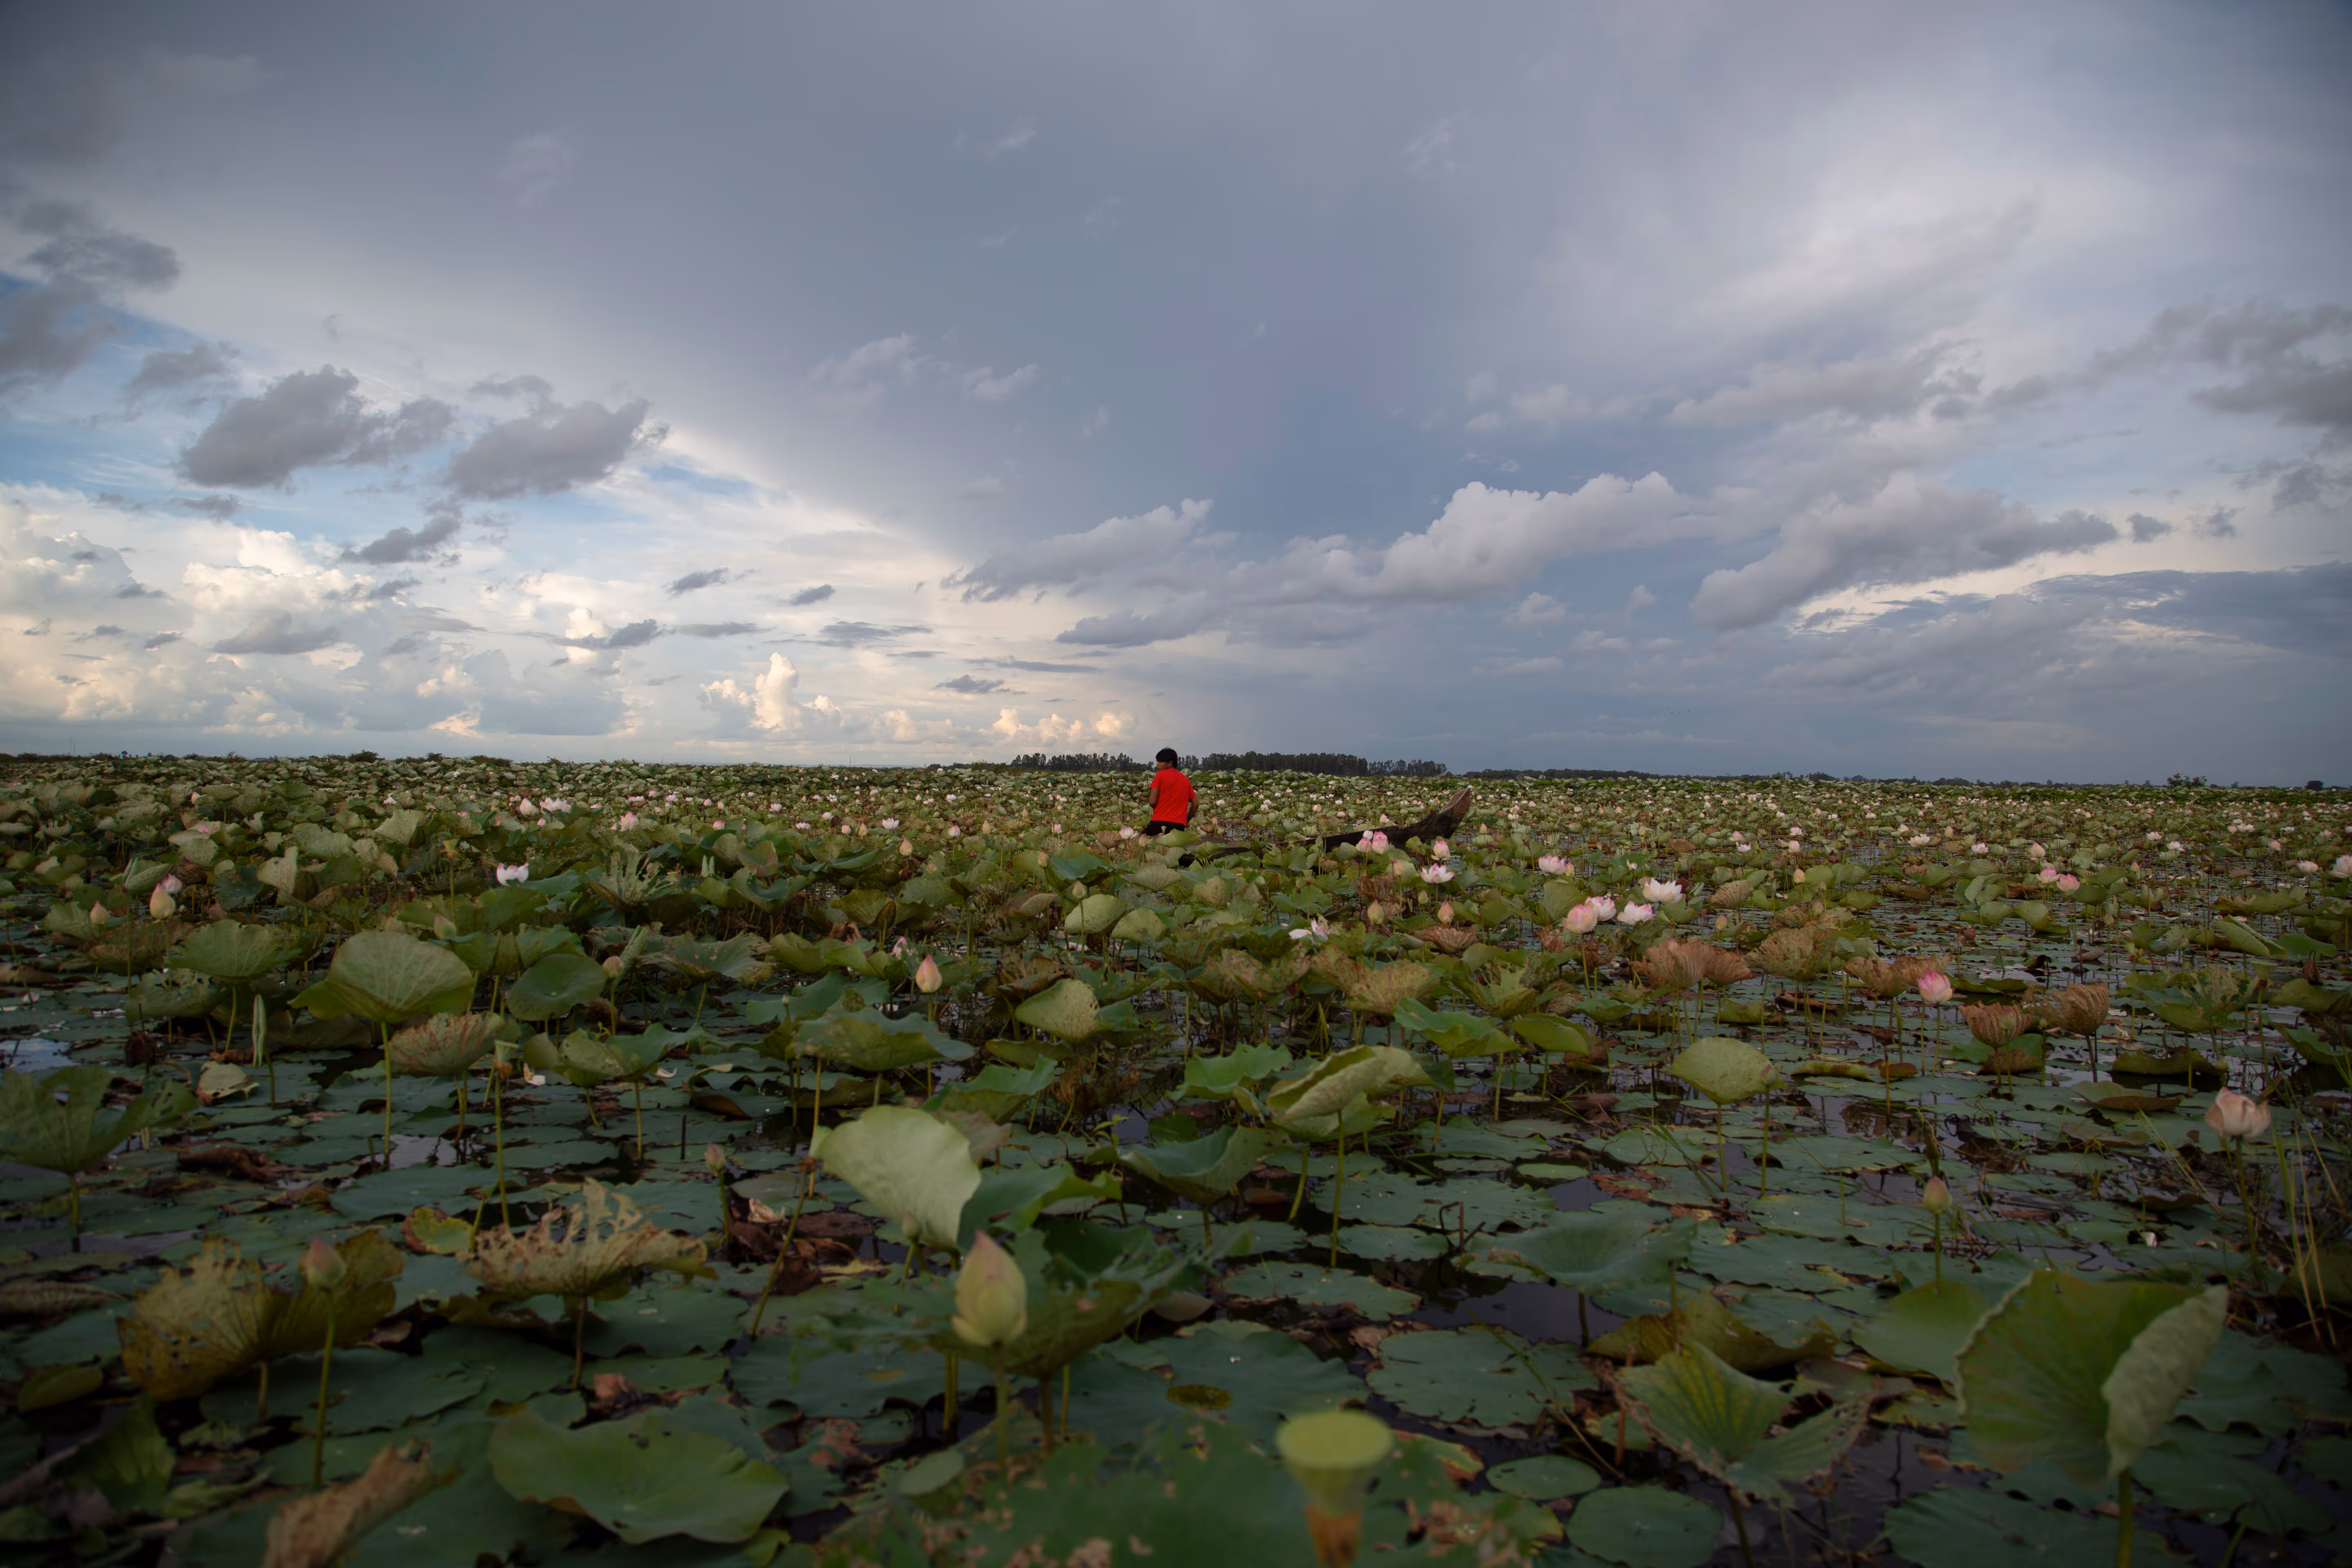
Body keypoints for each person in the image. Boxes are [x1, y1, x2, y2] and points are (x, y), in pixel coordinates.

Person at [1142, 747, 1195, 835]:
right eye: (1157, 761)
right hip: (1179, 825)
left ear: (1170, 763)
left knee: (1141, 843)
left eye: (1161, 762)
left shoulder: (1160, 776)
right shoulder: (1186, 779)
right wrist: (1186, 821)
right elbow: (1196, 804)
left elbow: (1152, 802)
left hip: (1159, 822)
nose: (1158, 764)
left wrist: (1161, 811)